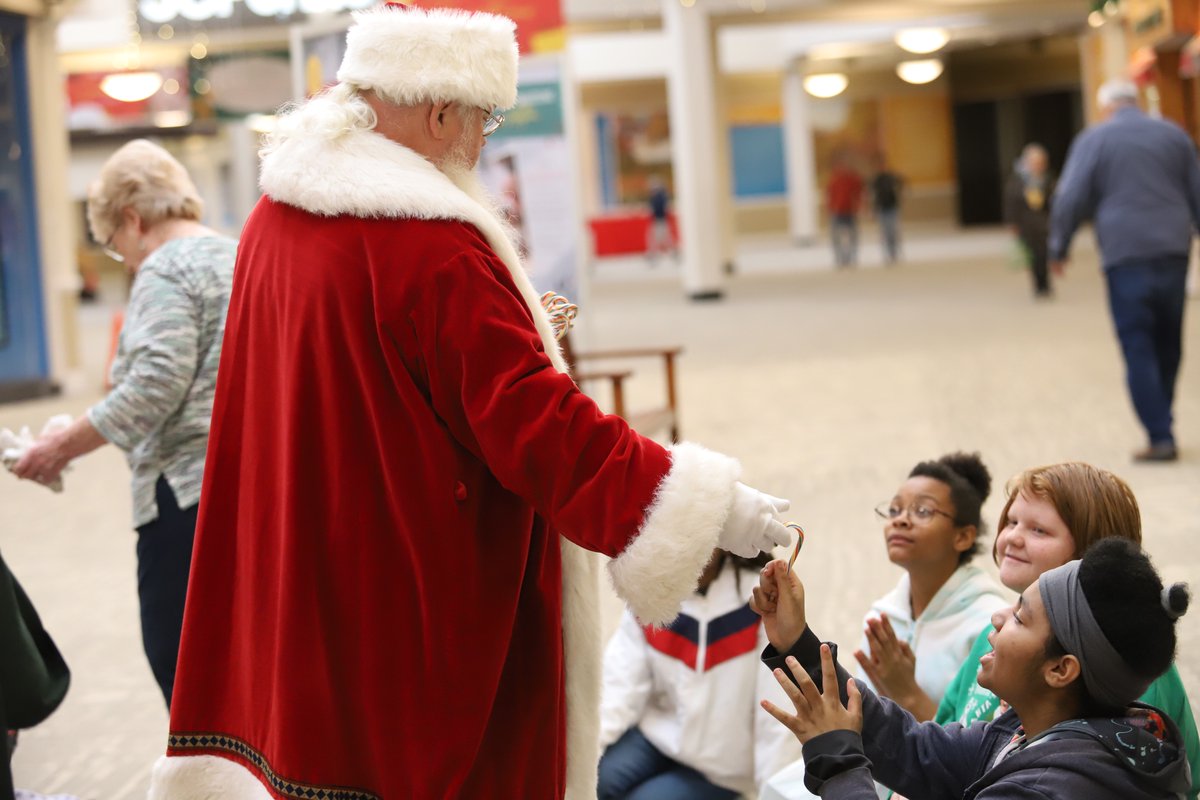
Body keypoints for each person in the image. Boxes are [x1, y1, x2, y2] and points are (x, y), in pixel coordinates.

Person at [149, 6, 792, 799]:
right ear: (440, 111)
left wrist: (512, 329)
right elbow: (536, 423)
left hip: (312, 584)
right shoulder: (433, 246)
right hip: (407, 605)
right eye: (485, 118)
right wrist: (706, 504)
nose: (485, 140)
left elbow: (363, 373)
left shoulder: (273, 219)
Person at [11, 139, 235, 709]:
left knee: (183, 672)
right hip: (250, 485)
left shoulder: (164, 268)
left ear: (132, 220)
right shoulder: (239, 256)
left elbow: (155, 383)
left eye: (114, 247)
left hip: (184, 500)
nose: (126, 261)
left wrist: (62, 445)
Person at [754, 537, 1193, 799]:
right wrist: (797, 643)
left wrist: (838, 761)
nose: (998, 617)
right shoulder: (1034, 732)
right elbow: (912, 748)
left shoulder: (1047, 788)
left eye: (1021, 617)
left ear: (1060, 670)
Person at [934, 461, 1200, 797]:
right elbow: (939, 738)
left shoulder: (1121, 665)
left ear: (1092, 558)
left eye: (1038, 530)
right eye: (1012, 521)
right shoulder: (993, 637)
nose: (1013, 537)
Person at [763, 453, 1007, 800]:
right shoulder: (883, 614)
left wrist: (909, 695)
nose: (901, 521)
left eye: (922, 511)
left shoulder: (990, 626)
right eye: (894, 510)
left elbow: (975, 761)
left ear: (964, 536)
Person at [1050, 78, 1200, 462]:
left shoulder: (1095, 139)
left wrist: (1059, 246)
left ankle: (1159, 432)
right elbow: (1197, 189)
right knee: (1169, 341)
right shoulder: (1174, 135)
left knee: (1137, 344)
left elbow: (1070, 196)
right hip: (1172, 249)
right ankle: (1161, 417)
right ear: (1136, 101)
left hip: (1124, 254)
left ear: (1106, 107)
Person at [597, 549, 802, 799]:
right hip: (657, 737)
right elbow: (619, 684)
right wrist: (583, 749)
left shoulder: (760, 598)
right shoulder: (650, 589)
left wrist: (773, 793)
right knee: (594, 779)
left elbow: (776, 717)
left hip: (719, 767)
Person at [1005, 143, 1055, 299]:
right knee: (1033, 256)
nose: (1038, 166)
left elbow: (1052, 201)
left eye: (1040, 163)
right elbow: (1011, 202)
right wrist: (1012, 223)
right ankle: (1039, 285)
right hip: (1026, 224)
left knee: (1044, 255)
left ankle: (1045, 284)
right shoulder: (1018, 180)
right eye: (1034, 162)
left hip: (1044, 223)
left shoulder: (1047, 179)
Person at [827, 157, 864, 268]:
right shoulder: (834, 180)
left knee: (853, 236)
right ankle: (840, 258)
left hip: (849, 211)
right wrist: (830, 208)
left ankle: (852, 257)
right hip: (837, 212)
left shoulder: (853, 179)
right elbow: (829, 195)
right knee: (836, 236)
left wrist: (858, 206)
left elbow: (858, 194)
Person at [869, 156, 903, 265]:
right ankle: (886, 255)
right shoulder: (877, 179)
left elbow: (901, 184)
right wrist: (874, 210)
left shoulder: (891, 177)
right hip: (882, 209)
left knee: (893, 232)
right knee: (884, 233)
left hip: (892, 207)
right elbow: (874, 196)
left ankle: (895, 253)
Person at [646, 175, 676, 262]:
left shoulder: (660, 198)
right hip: (658, 220)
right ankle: (654, 253)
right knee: (659, 238)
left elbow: (660, 209)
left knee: (662, 238)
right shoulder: (657, 197)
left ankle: (671, 252)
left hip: (660, 220)